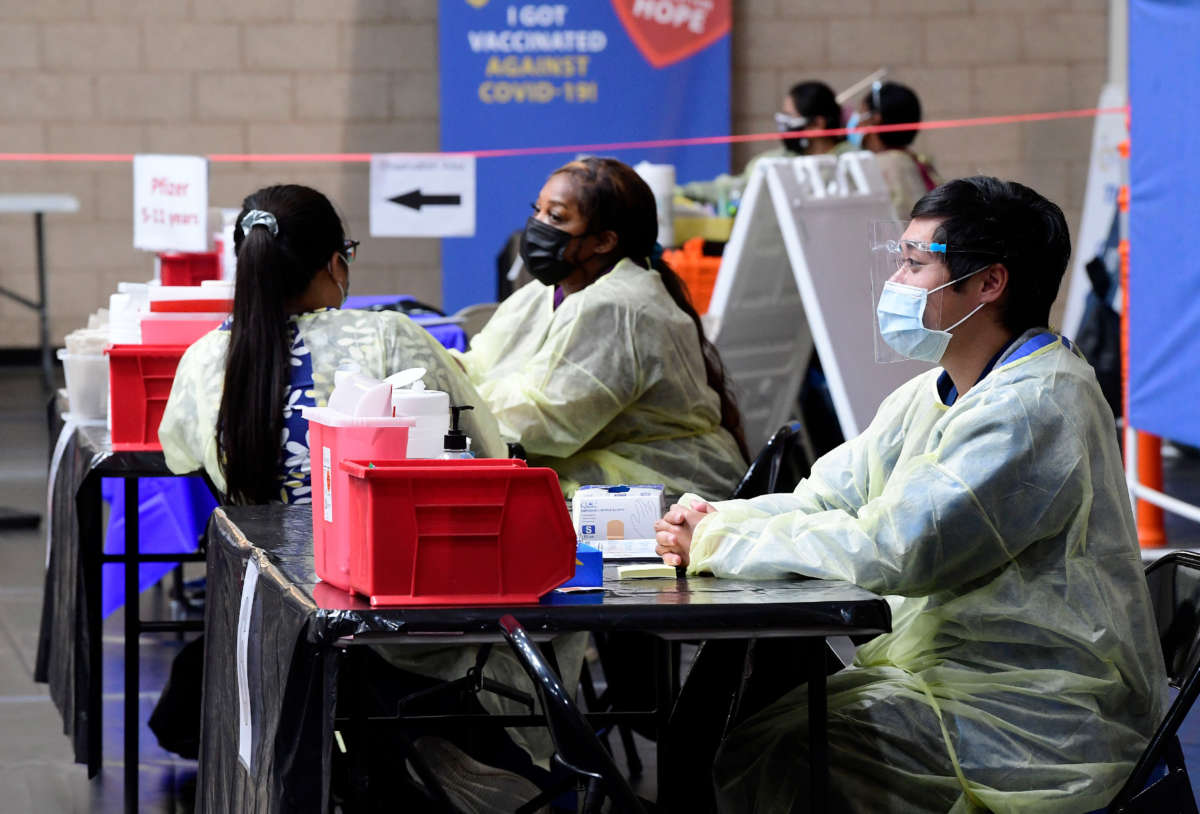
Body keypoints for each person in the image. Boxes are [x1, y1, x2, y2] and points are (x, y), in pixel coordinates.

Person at [654, 177, 1167, 812]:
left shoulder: (1034, 407)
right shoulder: (938, 390)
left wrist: (722, 539)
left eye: (915, 263)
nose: (895, 280)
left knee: (782, 752)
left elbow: (899, 551)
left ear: (989, 283)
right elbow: (828, 497)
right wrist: (716, 518)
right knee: (764, 739)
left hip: (1028, 712)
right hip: (952, 682)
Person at [159, 184, 506, 501]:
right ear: (335, 264)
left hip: (253, 564)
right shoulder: (389, 336)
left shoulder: (202, 357)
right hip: (377, 561)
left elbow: (181, 457)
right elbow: (483, 446)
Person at [453, 156, 749, 500]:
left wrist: (458, 399)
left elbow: (540, 423)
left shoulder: (619, 307)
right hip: (612, 472)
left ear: (605, 241)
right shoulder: (544, 293)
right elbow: (481, 363)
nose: (536, 225)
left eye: (556, 217)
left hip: (669, 489)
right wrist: (445, 378)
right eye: (538, 210)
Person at [681, 80, 851, 207]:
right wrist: (685, 192)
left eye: (791, 117)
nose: (785, 125)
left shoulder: (850, 163)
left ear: (818, 124)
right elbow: (733, 188)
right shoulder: (775, 161)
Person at [847, 80, 941, 219]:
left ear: (875, 119)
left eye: (860, 113)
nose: (855, 122)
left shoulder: (881, 166)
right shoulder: (913, 160)